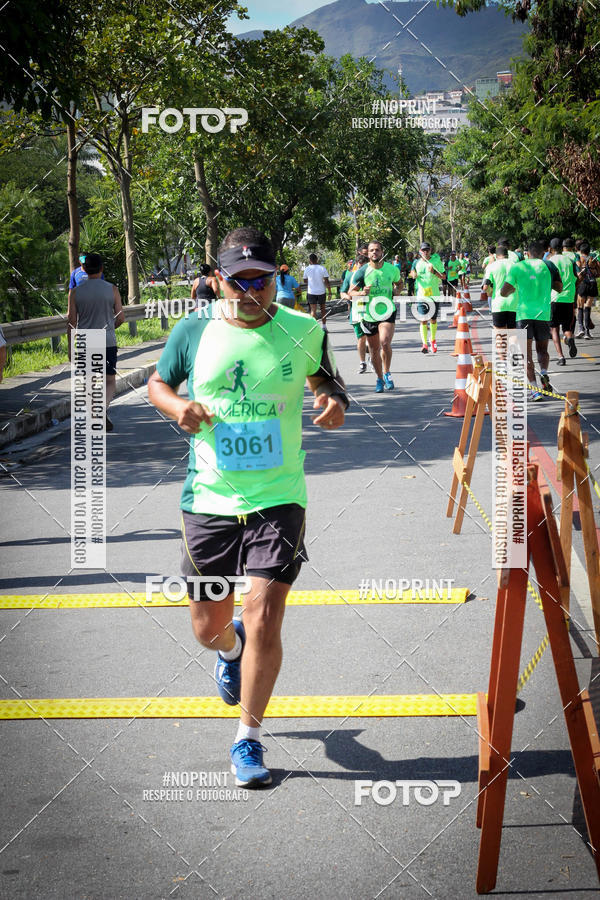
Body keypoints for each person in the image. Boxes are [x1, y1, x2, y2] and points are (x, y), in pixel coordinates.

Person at [147, 226, 348, 788]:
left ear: (276, 277)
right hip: (208, 502)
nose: (249, 291)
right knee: (207, 626)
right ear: (217, 280)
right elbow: (156, 385)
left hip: (279, 499)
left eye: (260, 280)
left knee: (265, 614)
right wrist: (177, 407)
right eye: (237, 281)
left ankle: (248, 739)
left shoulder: (303, 329)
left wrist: (332, 403)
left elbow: (329, 385)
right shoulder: (193, 330)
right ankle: (227, 650)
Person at [67, 253, 124, 431]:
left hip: (86, 340)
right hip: (107, 340)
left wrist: (70, 348)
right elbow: (121, 317)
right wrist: (110, 327)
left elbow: (71, 321)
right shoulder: (112, 289)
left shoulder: (75, 292)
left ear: (83, 268)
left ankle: (94, 411)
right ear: (101, 269)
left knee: (89, 380)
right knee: (109, 381)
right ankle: (101, 410)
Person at [500, 239, 562, 401]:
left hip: (523, 315)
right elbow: (559, 288)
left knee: (526, 355)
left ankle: (535, 390)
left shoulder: (518, 267)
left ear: (527, 254)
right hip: (543, 314)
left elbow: (503, 292)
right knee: (542, 350)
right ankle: (544, 372)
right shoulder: (549, 266)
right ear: (543, 253)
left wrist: (516, 286)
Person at [349, 240, 402, 391]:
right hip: (369, 315)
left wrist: (397, 291)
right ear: (368, 253)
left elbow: (399, 283)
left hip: (387, 311)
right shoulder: (362, 271)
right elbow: (350, 292)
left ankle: (387, 373)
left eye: (377, 250)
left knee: (384, 342)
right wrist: (361, 293)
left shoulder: (391, 269)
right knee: (373, 350)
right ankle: (379, 379)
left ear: (382, 252)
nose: (374, 253)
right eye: (371, 250)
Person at [410, 242, 445, 354]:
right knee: (423, 320)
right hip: (422, 296)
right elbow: (412, 272)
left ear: (430, 250)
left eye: (427, 250)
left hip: (434, 295)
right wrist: (413, 274)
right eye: (423, 250)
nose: (425, 252)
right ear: (420, 251)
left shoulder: (436, 261)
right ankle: (424, 344)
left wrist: (434, 271)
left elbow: (444, 276)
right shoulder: (416, 262)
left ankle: (433, 340)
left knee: (433, 320)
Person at [547, 237, 577, 364]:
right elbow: (576, 276)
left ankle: (561, 357)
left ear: (551, 249)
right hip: (569, 298)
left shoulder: (549, 261)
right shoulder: (570, 260)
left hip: (554, 298)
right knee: (567, 327)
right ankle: (569, 338)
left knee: (554, 328)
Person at [343, 248, 370, 373]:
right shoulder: (350, 276)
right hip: (357, 311)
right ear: (356, 265)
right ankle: (362, 362)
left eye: (364, 267)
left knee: (372, 338)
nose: (362, 270)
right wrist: (349, 296)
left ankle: (372, 358)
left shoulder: (372, 275)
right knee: (361, 338)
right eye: (360, 267)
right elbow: (343, 293)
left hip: (372, 310)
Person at [482, 245, 516, 328]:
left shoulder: (491, 266)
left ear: (496, 256)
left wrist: (489, 292)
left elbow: (485, 287)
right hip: (514, 304)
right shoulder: (515, 265)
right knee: (514, 335)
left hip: (498, 304)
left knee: (501, 336)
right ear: (507, 254)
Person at [575, 241, 600, 339]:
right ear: (589, 250)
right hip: (592, 283)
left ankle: (581, 328)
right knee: (588, 307)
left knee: (580, 306)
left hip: (582, 283)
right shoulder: (593, 256)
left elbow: (577, 268)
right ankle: (587, 333)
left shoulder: (578, 257)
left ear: (581, 250)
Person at [303, 253, 331, 328]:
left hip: (311, 292)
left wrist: (312, 282)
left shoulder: (307, 269)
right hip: (321, 291)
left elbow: (305, 280)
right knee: (323, 309)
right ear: (317, 259)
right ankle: (324, 326)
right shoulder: (322, 268)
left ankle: (314, 327)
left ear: (309, 260)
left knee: (313, 310)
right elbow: (327, 281)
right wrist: (330, 292)